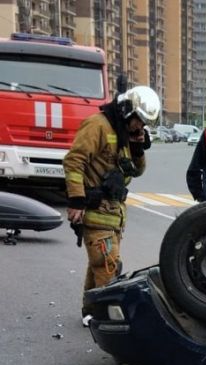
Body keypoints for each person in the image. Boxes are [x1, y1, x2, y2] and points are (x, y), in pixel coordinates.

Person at [63, 85, 160, 325]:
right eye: (139, 121)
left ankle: (90, 311)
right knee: (108, 265)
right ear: (128, 111)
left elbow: (136, 171)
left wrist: (137, 148)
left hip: (115, 214)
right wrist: (76, 199)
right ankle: (105, 320)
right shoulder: (98, 125)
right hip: (96, 211)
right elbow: (74, 161)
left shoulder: (123, 131)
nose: (140, 127)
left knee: (99, 264)